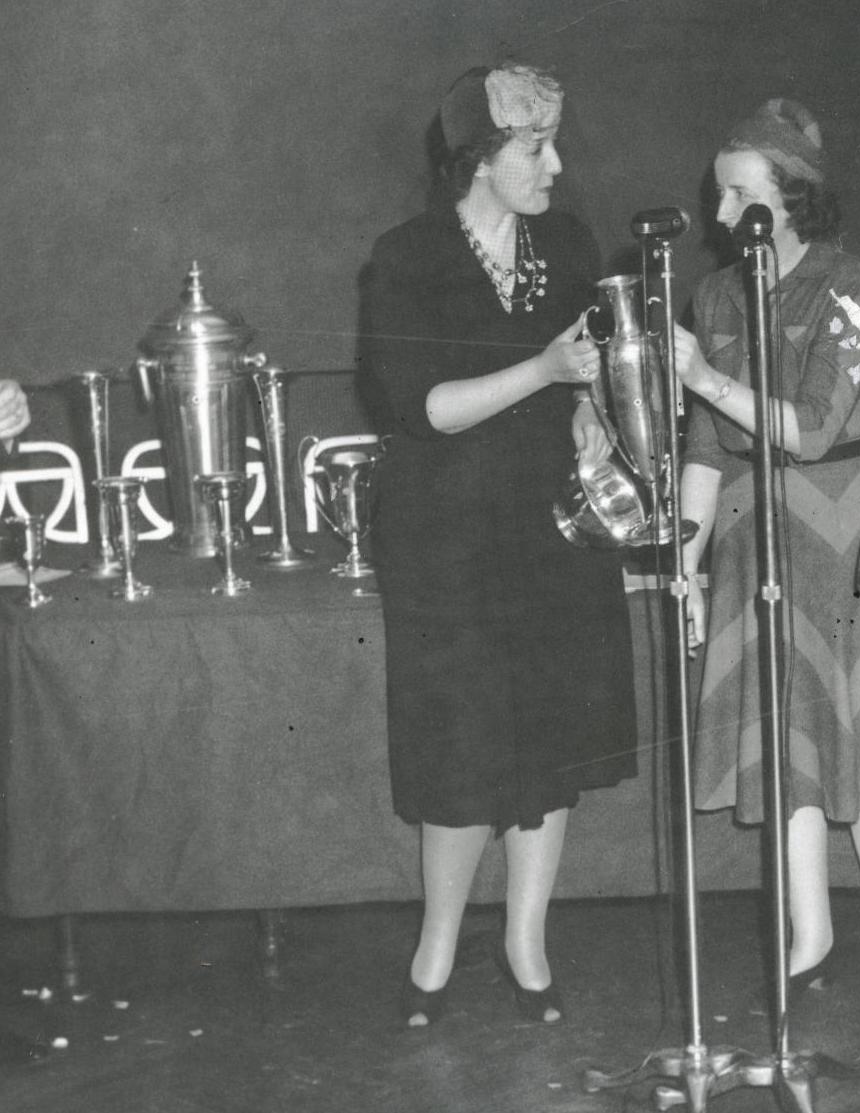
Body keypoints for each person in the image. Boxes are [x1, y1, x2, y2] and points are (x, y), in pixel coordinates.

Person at [357, 62, 637, 1029]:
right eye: (534, 147)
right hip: (447, 538)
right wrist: (548, 370)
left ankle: (528, 941)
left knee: (550, 740)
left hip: (551, 527)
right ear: (477, 160)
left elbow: (586, 377)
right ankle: (436, 945)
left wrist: (590, 411)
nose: (555, 165)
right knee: (461, 746)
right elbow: (422, 409)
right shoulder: (407, 257)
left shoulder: (566, 244)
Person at [672, 98, 860, 1018]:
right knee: (783, 742)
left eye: (737, 191)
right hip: (751, 539)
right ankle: (810, 930)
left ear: (789, 195)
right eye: (716, 192)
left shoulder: (849, 282)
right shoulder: (711, 295)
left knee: (859, 734)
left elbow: (819, 426)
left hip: (838, 533)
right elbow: (704, 444)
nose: (716, 212)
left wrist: (702, 375)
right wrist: (688, 559)